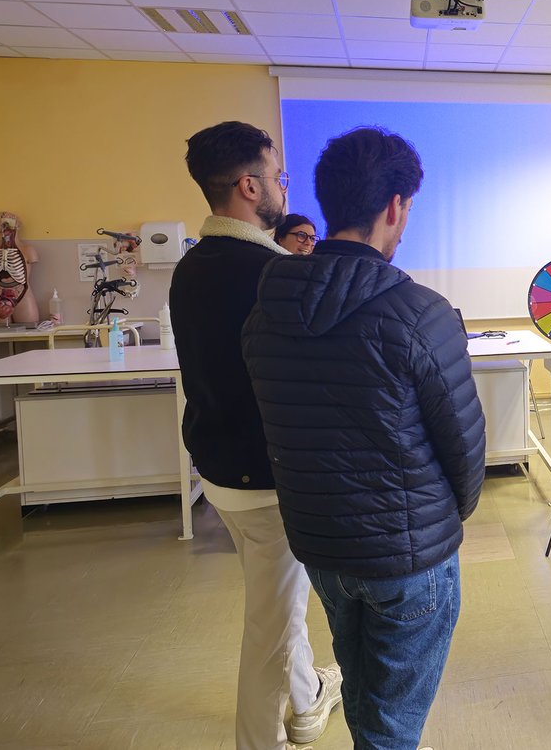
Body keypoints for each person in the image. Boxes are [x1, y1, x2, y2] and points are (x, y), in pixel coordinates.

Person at [241, 126, 486, 750]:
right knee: (391, 726)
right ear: (396, 206)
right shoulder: (420, 312)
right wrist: (442, 522)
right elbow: (463, 447)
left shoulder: (267, 310)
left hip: (322, 546)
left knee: (365, 697)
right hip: (409, 557)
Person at [170, 121, 341, 750]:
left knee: (280, 604)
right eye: (278, 177)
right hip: (267, 479)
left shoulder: (191, 267)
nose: (282, 187)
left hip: (220, 473)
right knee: (270, 627)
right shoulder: (273, 274)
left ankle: (307, 701)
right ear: (249, 185)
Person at [0, 211, 41, 324]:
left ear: (17, 225)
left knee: (29, 332)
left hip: (22, 294)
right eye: (3, 223)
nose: (7, 227)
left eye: (10, 222)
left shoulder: (28, 251)